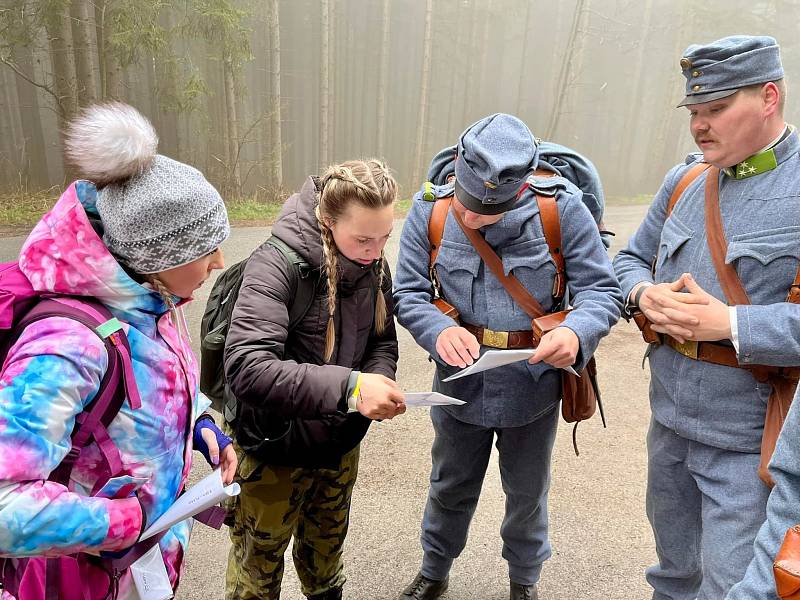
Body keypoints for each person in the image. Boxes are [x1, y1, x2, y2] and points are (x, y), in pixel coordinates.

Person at [0, 102, 237, 599]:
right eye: (206, 248)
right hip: (78, 579)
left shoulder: (152, 299)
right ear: (158, 254)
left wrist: (199, 424)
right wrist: (119, 522)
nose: (219, 260)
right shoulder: (66, 344)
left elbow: (154, 389)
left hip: (142, 564)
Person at [393, 113, 622, 600]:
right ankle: (434, 570)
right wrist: (437, 331)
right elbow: (408, 292)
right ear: (457, 164)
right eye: (469, 204)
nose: (472, 217)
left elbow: (602, 291)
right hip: (457, 384)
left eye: (487, 211)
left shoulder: (562, 209)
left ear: (519, 188)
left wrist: (577, 334)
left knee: (526, 495)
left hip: (533, 386)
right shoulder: (430, 208)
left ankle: (525, 582)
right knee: (449, 483)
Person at [613, 35, 800, 599]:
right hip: (668, 426)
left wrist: (732, 326)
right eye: (695, 111)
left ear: (769, 97)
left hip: (748, 445)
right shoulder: (686, 180)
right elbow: (626, 260)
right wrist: (643, 295)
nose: (700, 125)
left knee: (732, 585)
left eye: (717, 109)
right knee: (671, 574)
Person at [223, 159, 406, 600]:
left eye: (384, 238)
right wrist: (350, 388)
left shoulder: (373, 266)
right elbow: (248, 367)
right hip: (274, 449)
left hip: (337, 445)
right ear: (327, 220)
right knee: (257, 570)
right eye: (363, 239)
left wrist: (377, 382)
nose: (376, 250)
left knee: (326, 557)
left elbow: (381, 339)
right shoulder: (276, 265)